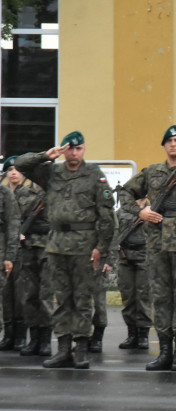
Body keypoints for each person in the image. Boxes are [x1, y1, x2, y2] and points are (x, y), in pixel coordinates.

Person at [15, 131, 115, 369]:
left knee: (81, 299)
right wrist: (45, 155)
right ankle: (63, 347)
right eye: (70, 148)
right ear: (64, 149)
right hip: (57, 244)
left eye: (78, 149)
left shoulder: (94, 175)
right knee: (61, 299)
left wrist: (102, 248)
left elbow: (106, 216)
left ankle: (81, 349)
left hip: (84, 246)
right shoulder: (53, 173)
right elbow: (19, 164)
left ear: (84, 150)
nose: (74, 153)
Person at [119, 125, 176, 371]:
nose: (173, 144)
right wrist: (141, 211)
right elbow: (124, 193)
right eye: (168, 140)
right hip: (156, 244)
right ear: (164, 145)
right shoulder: (151, 173)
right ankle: (165, 352)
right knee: (159, 298)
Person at [5, 158, 53, 357]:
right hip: (27, 248)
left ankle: (45, 340)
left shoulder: (54, 193)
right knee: (29, 295)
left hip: (48, 248)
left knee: (46, 295)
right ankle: (33, 338)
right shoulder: (25, 195)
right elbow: (15, 217)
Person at [113, 196, 152, 351]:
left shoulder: (153, 210)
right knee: (128, 295)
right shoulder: (122, 211)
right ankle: (132, 334)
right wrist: (115, 244)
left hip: (145, 256)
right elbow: (113, 230)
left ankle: (143, 335)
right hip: (125, 257)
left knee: (144, 295)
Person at [0, 164, 23, 353]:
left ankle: (18, 335)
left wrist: (9, 255)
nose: (13, 173)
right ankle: (9, 333)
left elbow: (12, 225)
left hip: (4, 251)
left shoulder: (4, 194)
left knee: (16, 295)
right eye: (10, 169)